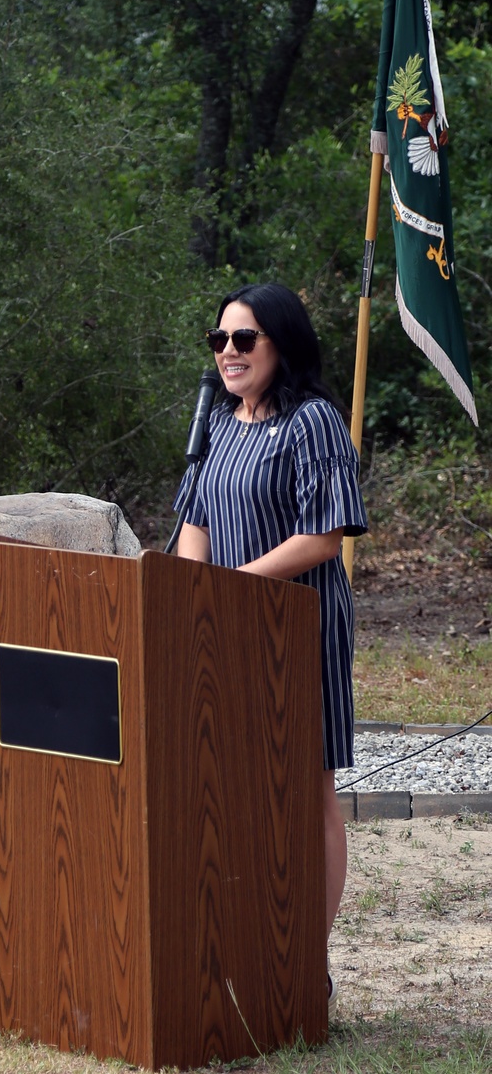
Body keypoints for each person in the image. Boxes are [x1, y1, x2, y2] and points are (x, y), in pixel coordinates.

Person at [173, 281, 368, 1012]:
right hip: (220, 628)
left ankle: (303, 970)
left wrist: (232, 585)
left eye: (244, 339)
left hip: (297, 626)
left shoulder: (312, 421)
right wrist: (189, 597)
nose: (228, 352)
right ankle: (244, 950)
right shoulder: (219, 425)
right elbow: (193, 518)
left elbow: (323, 535)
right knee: (236, 785)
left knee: (308, 788)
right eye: (219, 340)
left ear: (280, 344)